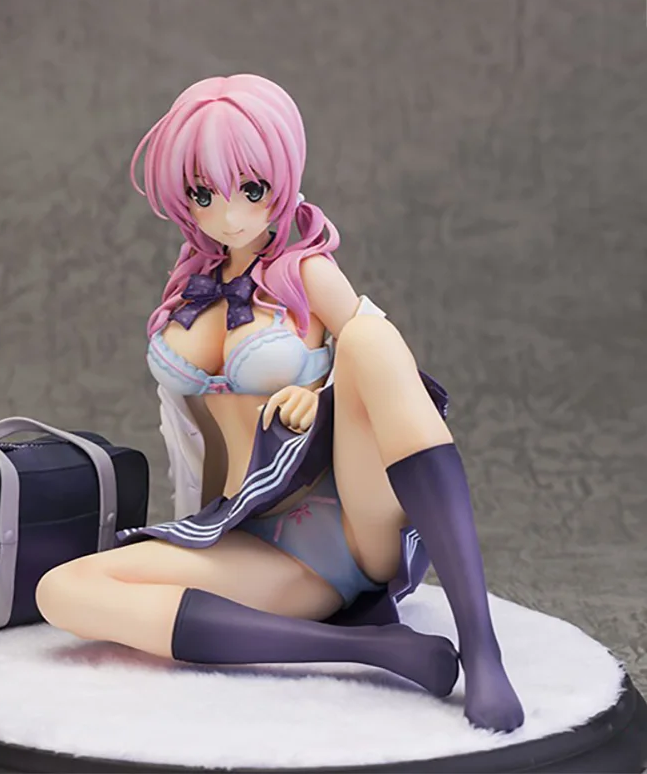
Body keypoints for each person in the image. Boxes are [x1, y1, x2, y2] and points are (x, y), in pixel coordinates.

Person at [36, 74, 525, 732]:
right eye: (204, 193)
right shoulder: (192, 285)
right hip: (255, 538)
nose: (229, 214)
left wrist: (321, 390)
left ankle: (482, 649)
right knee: (62, 591)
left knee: (372, 338)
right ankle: (371, 651)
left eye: (252, 188)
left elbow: (388, 378)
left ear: (283, 176)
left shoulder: (306, 272)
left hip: (352, 525)